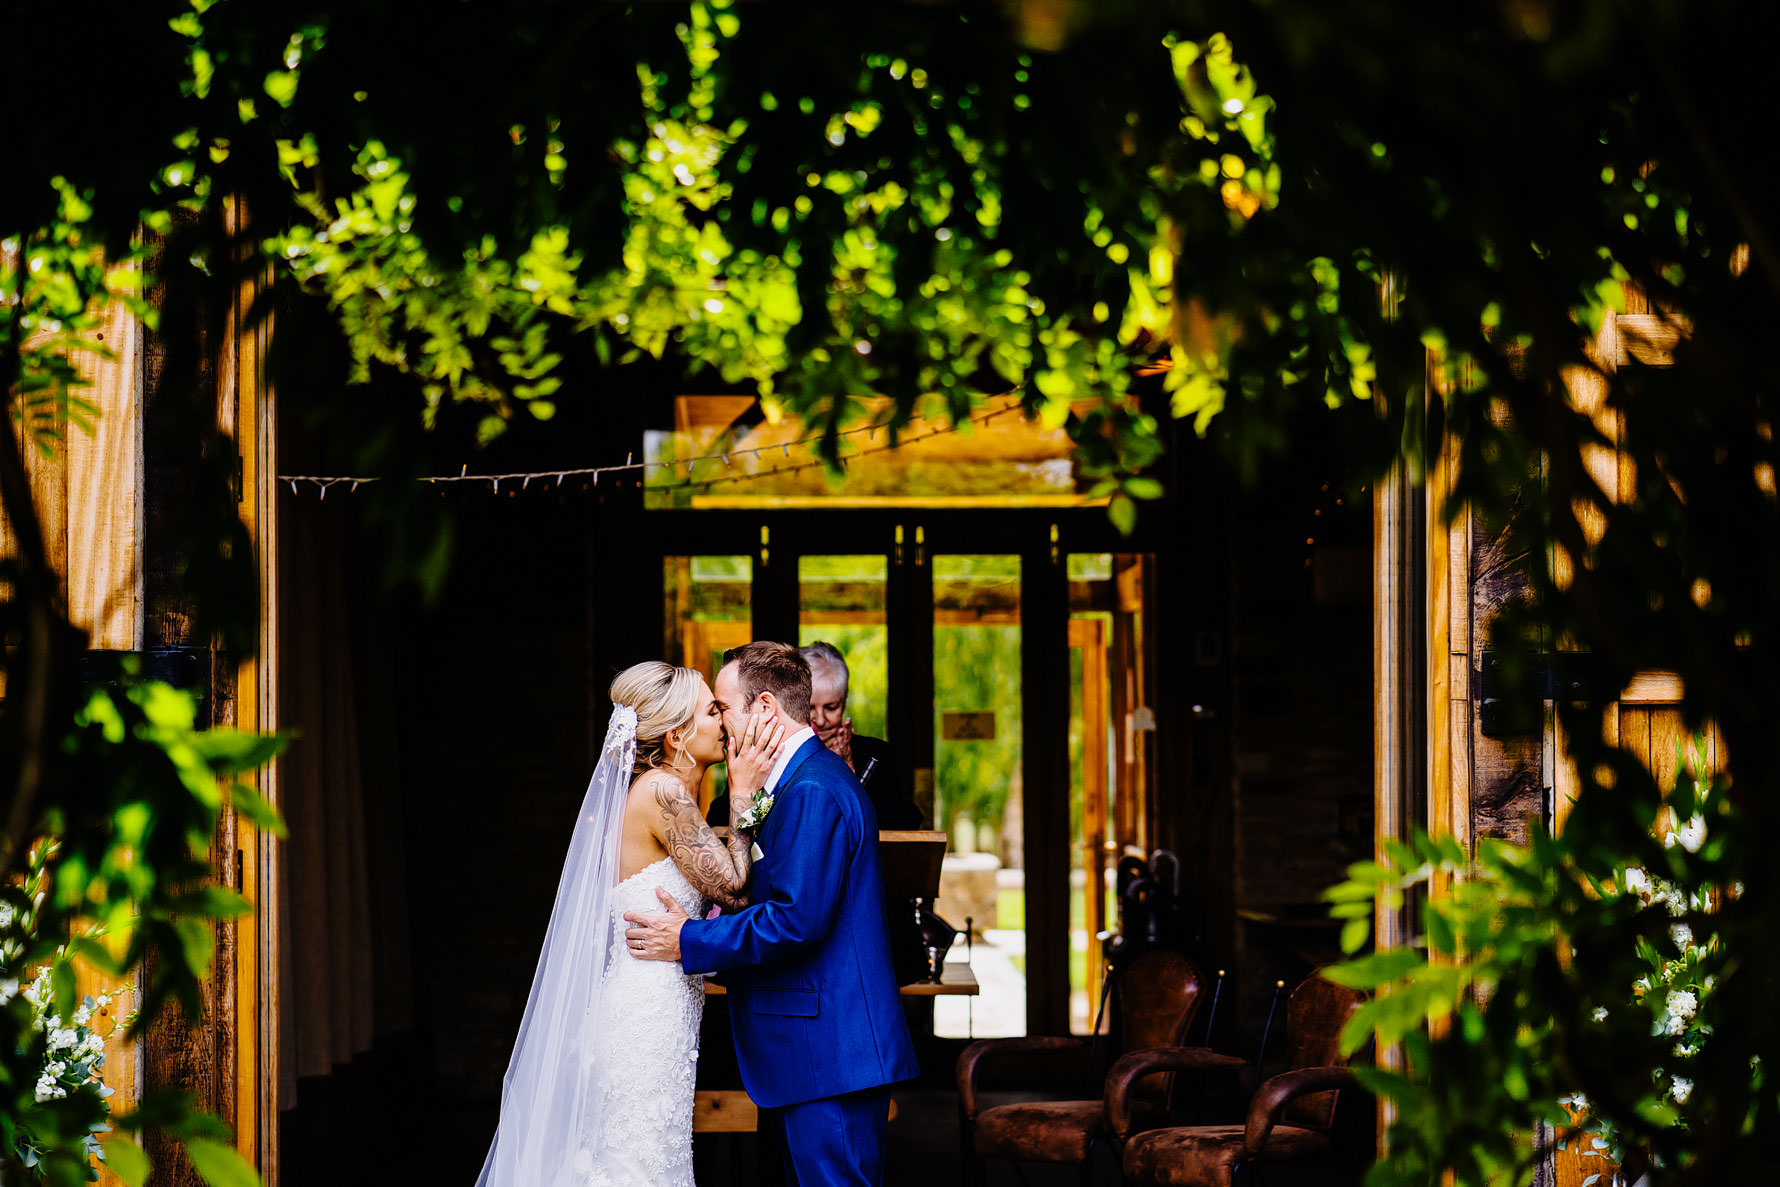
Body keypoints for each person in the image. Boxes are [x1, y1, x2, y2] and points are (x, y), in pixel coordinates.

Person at [475, 661, 787, 1187]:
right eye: (712, 711)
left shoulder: (668, 791)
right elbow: (734, 886)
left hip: (660, 997)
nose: (724, 721)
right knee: (636, 1162)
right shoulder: (662, 793)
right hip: (647, 1008)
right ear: (676, 736)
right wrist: (744, 796)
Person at [625, 641, 920, 1187]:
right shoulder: (792, 784)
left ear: (763, 709)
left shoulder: (812, 789)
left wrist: (689, 940)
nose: (720, 720)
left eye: (724, 706)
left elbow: (794, 919)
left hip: (830, 1058)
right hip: (811, 1058)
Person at [801, 640, 923, 830]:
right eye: (809, 708)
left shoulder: (878, 755)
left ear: (844, 703)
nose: (821, 719)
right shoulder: (776, 754)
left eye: (831, 708)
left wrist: (847, 774)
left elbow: (905, 825)